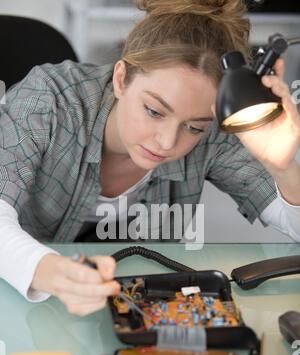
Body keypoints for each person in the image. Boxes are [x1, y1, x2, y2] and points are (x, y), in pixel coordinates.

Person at [0, 0, 299, 316]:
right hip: (24, 301)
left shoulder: (213, 133)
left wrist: (282, 168)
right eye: (154, 111)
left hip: (138, 311)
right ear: (121, 78)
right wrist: (53, 273)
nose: (168, 142)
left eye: (194, 127)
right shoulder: (47, 100)